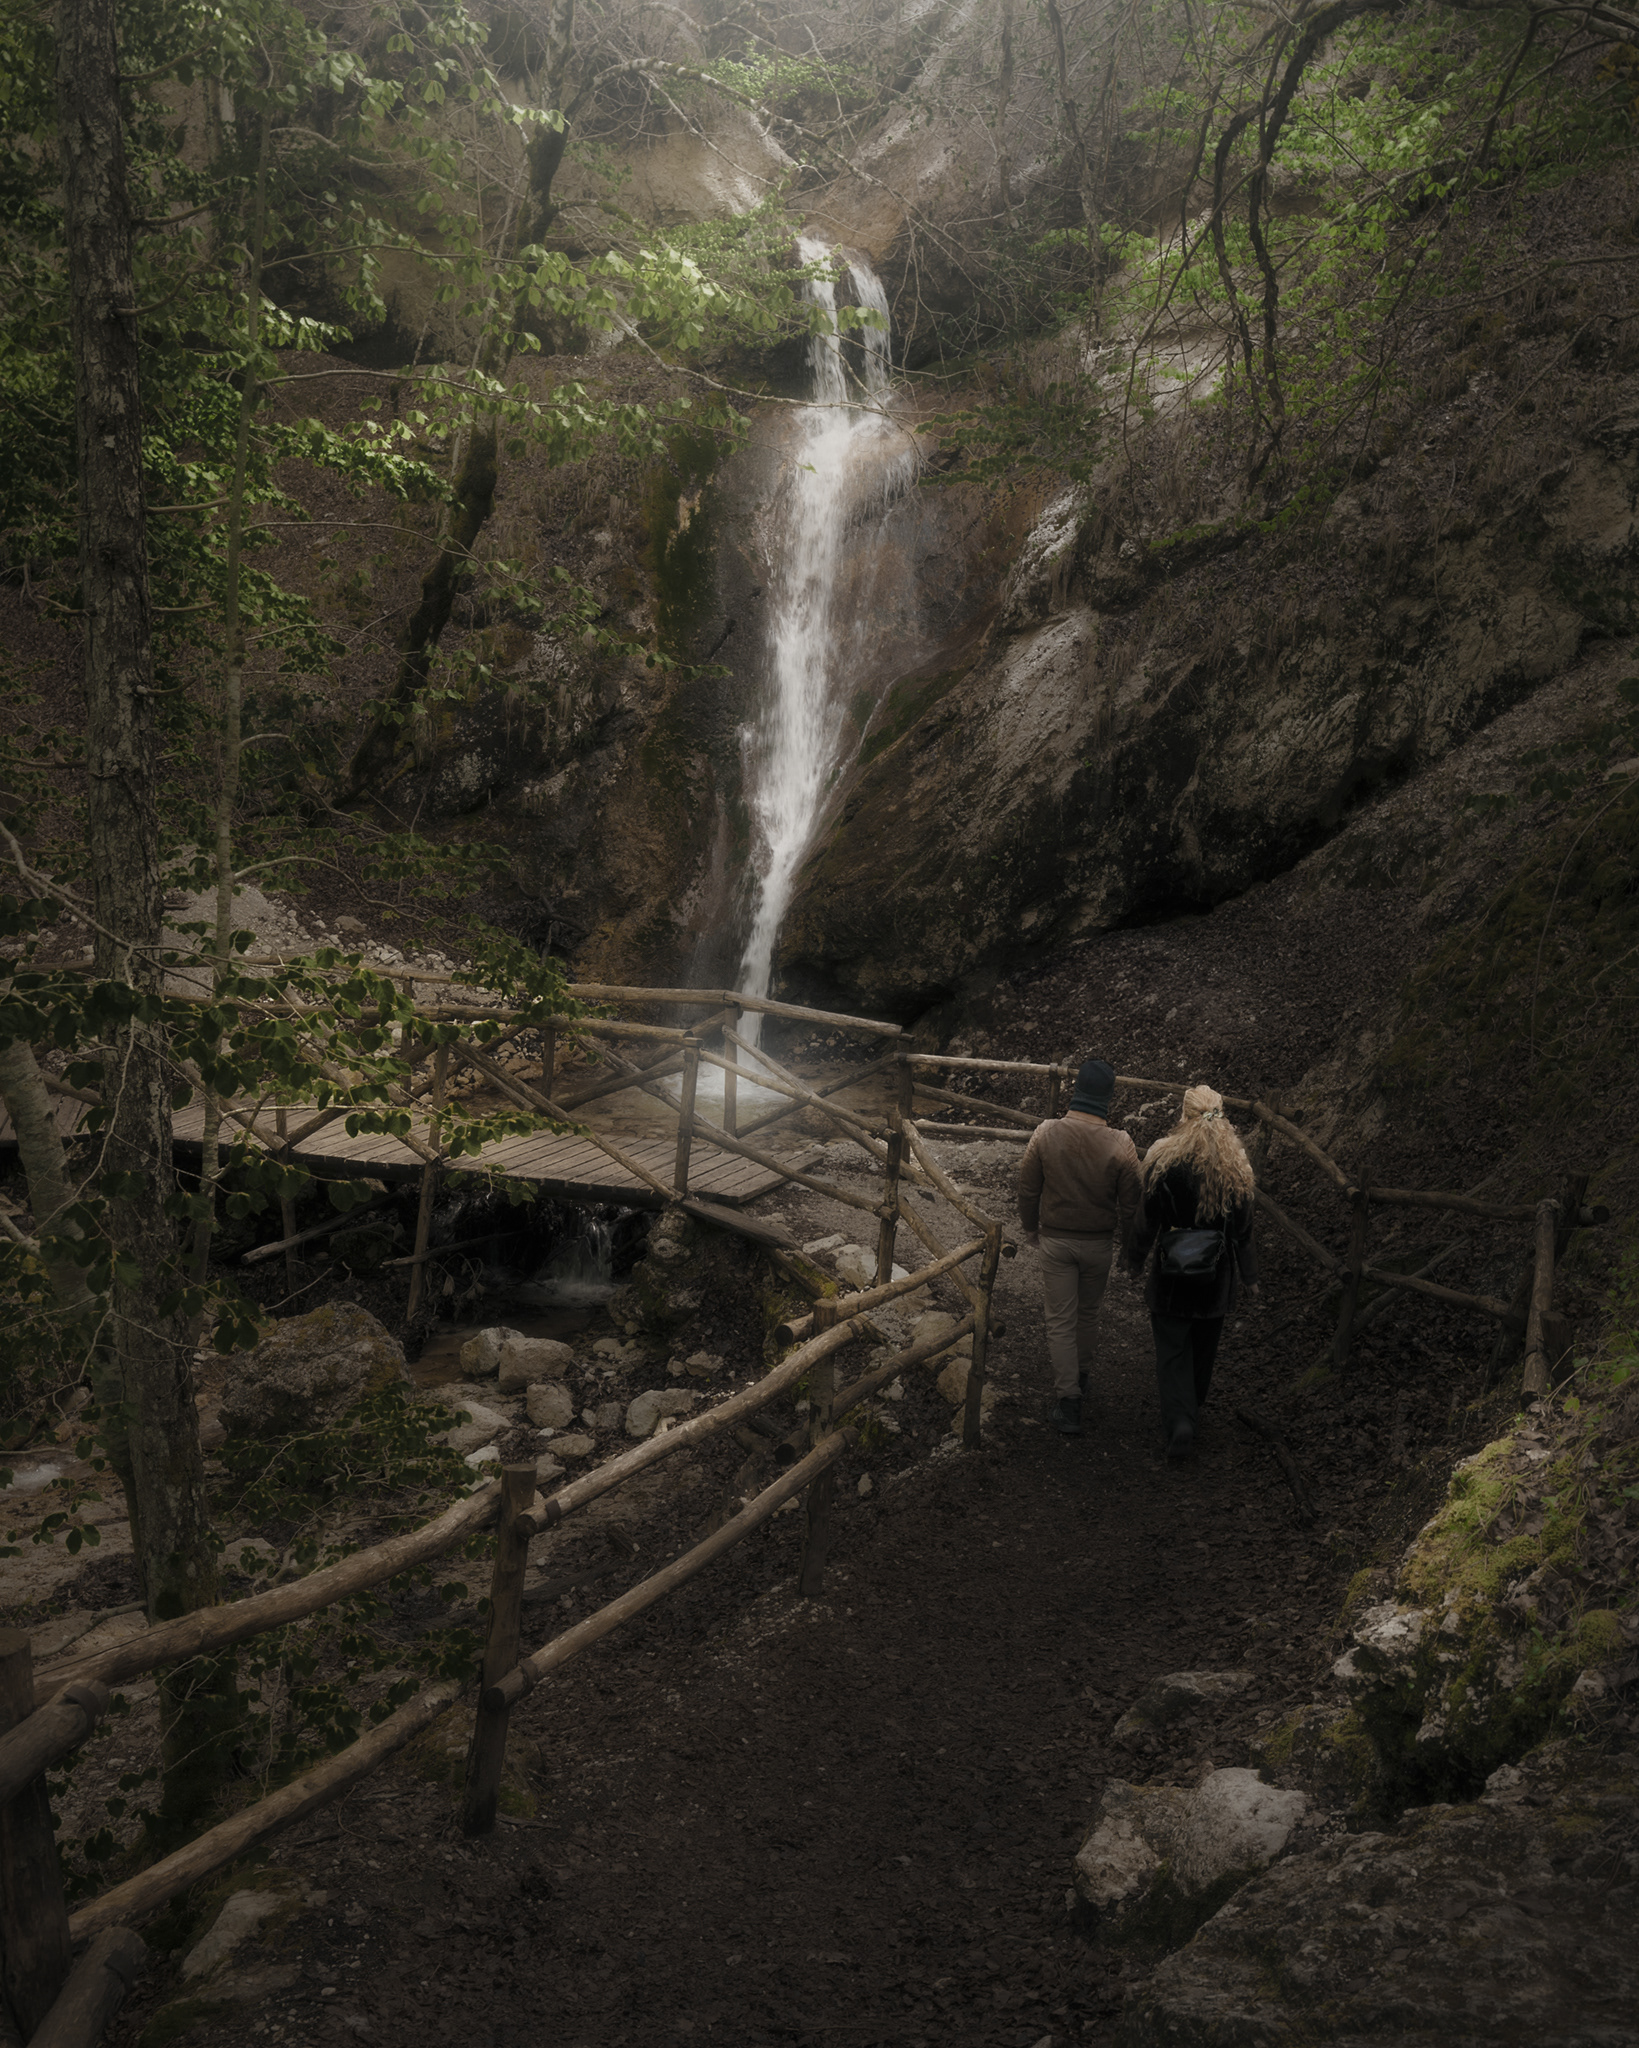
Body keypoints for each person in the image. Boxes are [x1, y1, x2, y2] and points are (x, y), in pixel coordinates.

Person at [1127, 1084, 1258, 1459]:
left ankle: (1180, 1419)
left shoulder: (1163, 1162)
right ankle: (1193, 1403)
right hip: (1215, 1278)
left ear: (1183, 1117)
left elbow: (1146, 1220)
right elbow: (1244, 1231)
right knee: (1203, 1347)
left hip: (1170, 1275)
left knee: (1172, 1351)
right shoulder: (1236, 1168)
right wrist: (1249, 1277)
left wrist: (1134, 1260)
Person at [1017, 1057, 1141, 1437]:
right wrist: (1131, 1250)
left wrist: (1029, 1227)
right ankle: (1081, 1378)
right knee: (1088, 1314)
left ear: (1076, 1091)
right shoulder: (1121, 1143)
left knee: (1059, 1319)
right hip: (1098, 1244)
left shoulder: (1046, 1132)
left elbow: (1027, 1188)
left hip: (1056, 1240)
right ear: (1109, 1097)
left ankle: (1068, 1400)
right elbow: (1132, 1205)